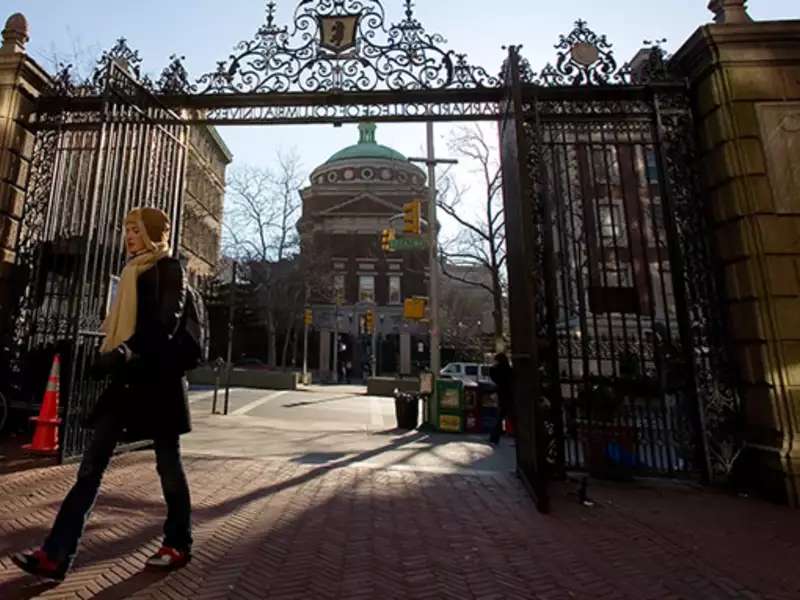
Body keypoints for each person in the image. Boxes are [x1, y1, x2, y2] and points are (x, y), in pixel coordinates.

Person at [12, 207, 194, 581]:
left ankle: (178, 542)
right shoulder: (130, 272)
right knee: (90, 469)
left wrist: (125, 352)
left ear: (152, 233)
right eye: (126, 229)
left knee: (168, 467)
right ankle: (56, 554)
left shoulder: (168, 268)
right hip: (124, 386)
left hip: (157, 385)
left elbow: (166, 323)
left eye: (136, 229)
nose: (129, 236)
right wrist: (112, 351)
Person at [489, 352, 513, 445]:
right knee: (511, 417)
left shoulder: (497, 370)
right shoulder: (509, 369)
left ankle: (494, 439)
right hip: (510, 396)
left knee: (499, 418)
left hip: (503, 396)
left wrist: (493, 366)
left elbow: (493, 375)